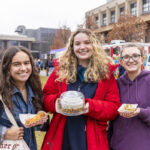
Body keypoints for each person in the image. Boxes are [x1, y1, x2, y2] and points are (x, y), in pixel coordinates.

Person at [42, 28, 121, 150]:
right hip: (62, 135)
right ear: (72, 48)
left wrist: (90, 106)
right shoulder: (60, 71)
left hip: (91, 139)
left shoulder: (105, 74)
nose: (82, 47)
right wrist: (56, 103)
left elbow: (113, 108)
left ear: (93, 45)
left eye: (87, 42)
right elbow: (45, 97)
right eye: (77, 44)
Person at [0, 46, 48, 150]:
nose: (23, 68)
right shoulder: (1, 93)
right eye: (16, 64)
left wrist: (41, 118)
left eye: (26, 63)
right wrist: (4, 133)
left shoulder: (35, 90)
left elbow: (40, 126)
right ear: (7, 67)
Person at [109, 44, 150, 150]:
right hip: (118, 145)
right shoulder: (115, 84)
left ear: (142, 59)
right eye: (126, 57)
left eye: (135, 55)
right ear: (121, 62)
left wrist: (140, 112)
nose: (131, 60)